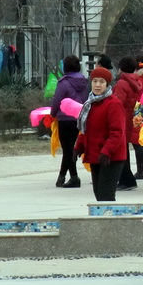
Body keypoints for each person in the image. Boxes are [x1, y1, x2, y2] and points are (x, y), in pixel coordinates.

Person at [75, 65, 128, 201]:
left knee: (105, 196)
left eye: (101, 82)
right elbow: (85, 128)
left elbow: (117, 132)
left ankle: (110, 222)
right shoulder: (90, 103)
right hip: (95, 156)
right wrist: (78, 147)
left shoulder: (113, 104)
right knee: (99, 194)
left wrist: (106, 151)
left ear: (107, 84)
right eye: (95, 81)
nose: (97, 85)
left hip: (111, 158)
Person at [50, 55, 88, 188]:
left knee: (68, 149)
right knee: (71, 148)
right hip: (80, 118)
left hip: (65, 119)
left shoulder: (63, 82)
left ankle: (74, 177)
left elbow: (57, 100)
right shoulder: (85, 81)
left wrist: (52, 113)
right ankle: (61, 176)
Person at [113, 57, 143, 190]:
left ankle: (127, 180)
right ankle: (127, 179)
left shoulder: (122, 83)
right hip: (133, 118)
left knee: (121, 151)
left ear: (121, 68)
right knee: (125, 149)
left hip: (122, 119)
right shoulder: (138, 81)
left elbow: (117, 103)